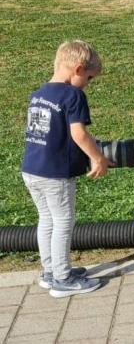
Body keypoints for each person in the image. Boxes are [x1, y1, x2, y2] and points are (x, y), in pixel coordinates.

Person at [22, 40, 113, 298]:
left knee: (46, 219)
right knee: (63, 222)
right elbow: (79, 134)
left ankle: (50, 272)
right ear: (79, 69)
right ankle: (63, 279)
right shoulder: (73, 95)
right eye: (90, 78)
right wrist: (98, 158)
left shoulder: (39, 93)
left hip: (31, 169)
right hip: (55, 173)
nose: (88, 84)